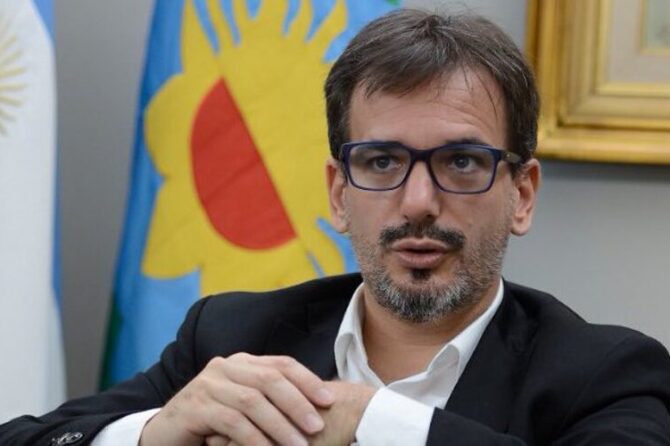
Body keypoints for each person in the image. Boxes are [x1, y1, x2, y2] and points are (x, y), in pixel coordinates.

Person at [3, 8, 670, 446]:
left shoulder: (605, 373)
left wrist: (371, 421)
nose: (417, 202)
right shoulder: (231, 336)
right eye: (381, 162)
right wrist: (155, 431)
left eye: (461, 163)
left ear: (521, 195)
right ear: (338, 193)